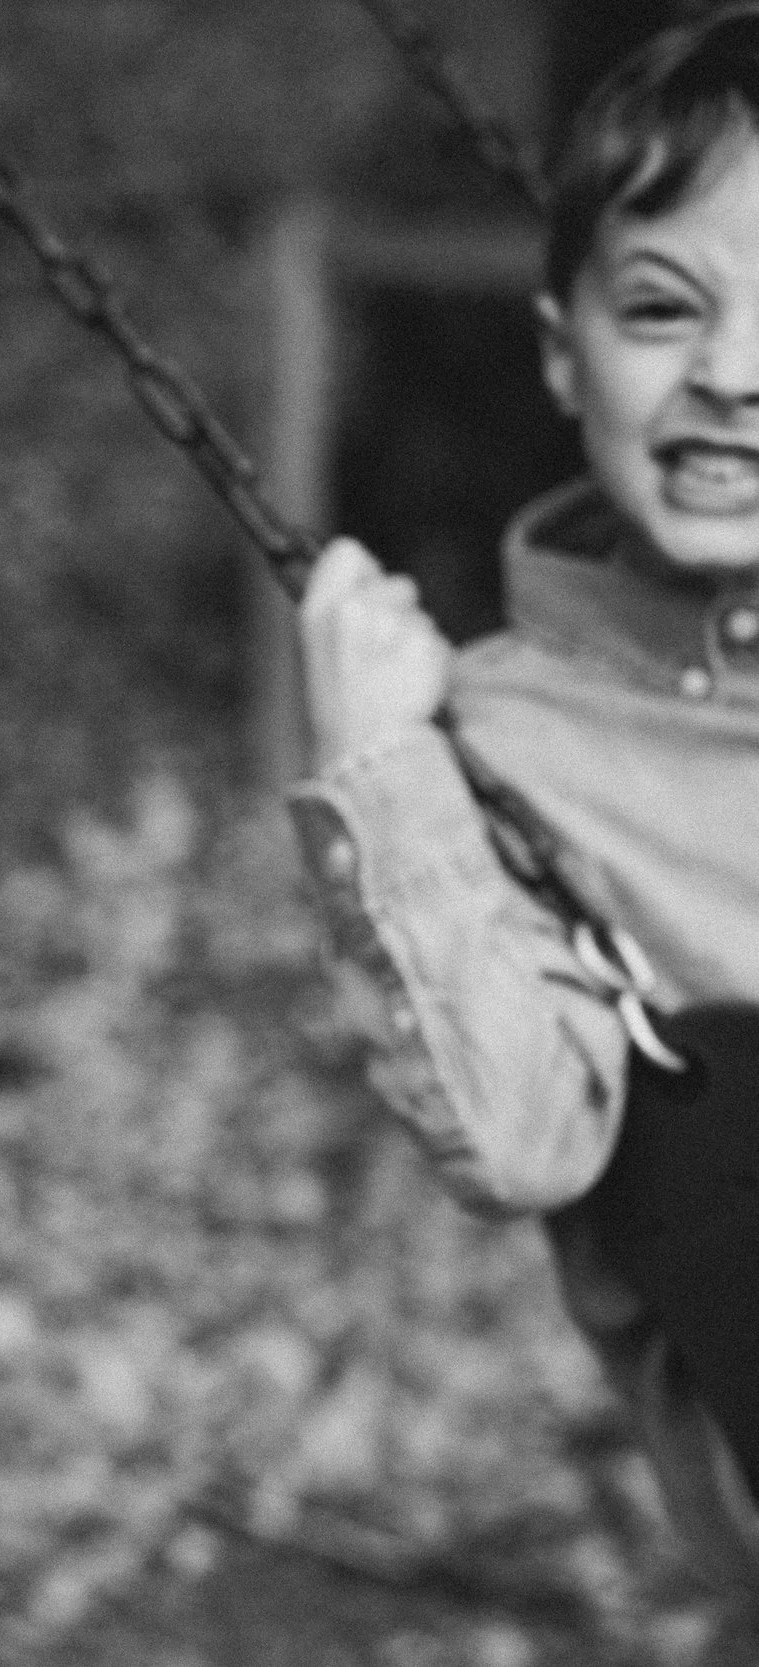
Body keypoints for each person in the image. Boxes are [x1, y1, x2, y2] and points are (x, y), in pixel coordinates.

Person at [291, 4, 759, 1595]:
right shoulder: (505, 745)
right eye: (661, 308)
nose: (734, 375)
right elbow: (519, 1135)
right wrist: (382, 764)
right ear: (566, 353)